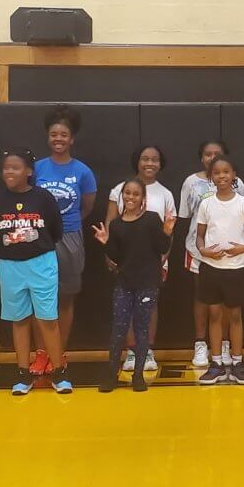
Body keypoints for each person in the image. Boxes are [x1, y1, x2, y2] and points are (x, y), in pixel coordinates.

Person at [0, 149, 70, 395]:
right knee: (19, 319)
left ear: (29, 171)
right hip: (9, 265)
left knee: (47, 319)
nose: (9, 172)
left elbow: (56, 230)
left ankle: (59, 372)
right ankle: (23, 374)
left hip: (41, 262)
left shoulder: (43, 198)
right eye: (6, 168)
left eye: (15, 167)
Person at [93, 178, 175, 393]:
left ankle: (138, 376)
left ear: (143, 198)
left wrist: (166, 231)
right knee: (119, 329)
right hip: (124, 282)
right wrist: (106, 243)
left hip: (147, 283)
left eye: (135, 194)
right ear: (122, 196)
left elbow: (161, 247)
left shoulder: (151, 219)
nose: (130, 197)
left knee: (141, 329)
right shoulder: (118, 224)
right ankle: (112, 374)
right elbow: (117, 256)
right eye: (127, 193)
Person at [32, 106, 97, 377]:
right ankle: (41, 354)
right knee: (40, 299)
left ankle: (60, 352)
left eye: (64, 135)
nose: (58, 139)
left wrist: (66, 225)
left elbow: (86, 207)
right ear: (48, 137)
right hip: (39, 239)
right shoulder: (37, 168)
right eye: (53, 134)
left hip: (70, 237)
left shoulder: (82, 171)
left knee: (65, 299)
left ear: (71, 139)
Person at [105, 144, 176, 373]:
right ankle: (131, 351)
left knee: (148, 306)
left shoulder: (165, 194)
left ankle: (148, 351)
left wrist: (164, 256)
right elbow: (111, 224)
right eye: (145, 158)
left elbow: (168, 230)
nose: (150, 163)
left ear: (160, 164)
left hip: (151, 263)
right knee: (125, 309)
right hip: (126, 262)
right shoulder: (119, 189)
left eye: (154, 159)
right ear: (137, 161)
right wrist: (109, 253)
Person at [179, 140, 244, 368]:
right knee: (203, 298)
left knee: (228, 303)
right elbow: (186, 217)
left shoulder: (239, 186)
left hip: (230, 256)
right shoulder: (191, 182)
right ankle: (201, 344)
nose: (211, 157)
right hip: (199, 251)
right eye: (207, 154)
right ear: (202, 158)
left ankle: (226, 343)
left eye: (216, 154)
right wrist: (201, 247)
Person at [195, 156, 244, 386]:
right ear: (211, 177)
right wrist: (204, 251)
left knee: (234, 316)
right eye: (217, 173)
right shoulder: (206, 204)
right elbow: (200, 236)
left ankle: (237, 363)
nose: (221, 176)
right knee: (214, 315)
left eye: (226, 172)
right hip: (211, 268)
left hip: (235, 268)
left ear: (234, 175)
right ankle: (216, 364)